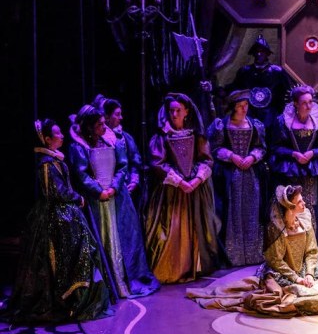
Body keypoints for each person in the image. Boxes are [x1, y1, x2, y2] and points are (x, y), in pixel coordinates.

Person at [4, 120, 111, 323]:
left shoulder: (55, 160)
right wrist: (77, 198)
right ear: (47, 139)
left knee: (79, 253)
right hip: (56, 216)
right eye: (57, 133)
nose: (62, 136)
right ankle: (63, 300)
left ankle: (75, 297)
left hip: (66, 213)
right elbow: (56, 193)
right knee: (58, 258)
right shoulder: (46, 164)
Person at [187, 185, 318, 317]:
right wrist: (296, 279)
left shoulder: (305, 219)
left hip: (304, 270)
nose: (304, 203)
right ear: (290, 207)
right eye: (300, 201)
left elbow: (312, 251)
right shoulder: (277, 228)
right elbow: (276, 261)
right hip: (282, 273)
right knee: (297, 298)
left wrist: (309, 274)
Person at [67, 105, 159, 298]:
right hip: (95, 201)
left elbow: (122, 165)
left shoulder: (111, 139)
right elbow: (81, 174)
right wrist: (98, 191)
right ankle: (108, 284)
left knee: (124, 237)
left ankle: (126, 279)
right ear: (90, 127)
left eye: (104, 123)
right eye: (99, 124)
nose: (104, 127)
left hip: (117, 197)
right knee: (101, 238)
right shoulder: (79, 146)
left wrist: (114, 187)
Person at [144, 92, 222, 283]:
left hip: (195, 190)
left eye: (178, 110)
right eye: (171, 111)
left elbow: (206, 159)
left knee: (197, 227)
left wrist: (196, 180)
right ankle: (173, 268)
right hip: (172, 190)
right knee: (173, 228)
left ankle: (196, 266)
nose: (174, 114)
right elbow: (157, 163)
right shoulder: (162, 136)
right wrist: (180, 182)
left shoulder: (196, 135)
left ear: (186, 111)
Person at [270, 85, 318, 261]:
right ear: (295, 104)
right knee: (291, 207)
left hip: (313, 171)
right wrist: (293, 153)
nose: (309, 106)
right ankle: (292, 249)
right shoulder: (283, 122)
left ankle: (314, 248)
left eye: (310, 102)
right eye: (304, 103)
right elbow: (275, 147)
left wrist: (312, 153)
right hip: (291, 171)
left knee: (313, 206)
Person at [207, 90, 268, 266]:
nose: (244, 109)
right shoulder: (222, 125)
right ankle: (233, 256)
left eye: (246, 105)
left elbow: (261, 147)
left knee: (252, 211)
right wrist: (232, 156)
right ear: (233, 107)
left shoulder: (254, 125)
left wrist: (252, 157)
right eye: (240, 106)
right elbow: (214, 148)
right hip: (229, 175)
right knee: (231, 211)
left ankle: (253, 254)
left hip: (250, 175)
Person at [228, 34, 295, 134]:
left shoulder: (277, 72)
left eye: (262, 51)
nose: (259, 54)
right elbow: (235, 88)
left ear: (267, 53)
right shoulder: (245, 71)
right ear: (253, 53)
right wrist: (220, 90)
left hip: (272, 113)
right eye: (256, 51)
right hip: (250, 113)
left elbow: (289, 91)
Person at [94, 95, 143, 210]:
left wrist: (134, 180)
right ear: (106, 116)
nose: (121, 118)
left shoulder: (125, 137)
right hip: (106, 190)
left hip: (124, 187)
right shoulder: (97, 140)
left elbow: (135, 161)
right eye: (117, 114)